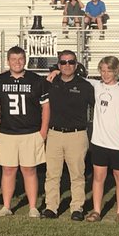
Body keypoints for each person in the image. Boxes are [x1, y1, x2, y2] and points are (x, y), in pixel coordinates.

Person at [0, 46, 50, 217]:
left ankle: (33, 207)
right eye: (14, 59)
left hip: (30, 132)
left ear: (25, 60)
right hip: (7, 132)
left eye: (20, 59)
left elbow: (46, 107)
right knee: (8, 170)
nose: (17, 62)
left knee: (29, 170)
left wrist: (43, 131)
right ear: (8, 61)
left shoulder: (36, 80)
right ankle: (6, 206)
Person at [83, 56, 119, 222]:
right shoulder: (96, 86)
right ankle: (96, 211)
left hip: (118, 143)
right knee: (98, 177)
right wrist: (56, 71)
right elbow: (76, 78)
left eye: (109, 71)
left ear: (116, 71)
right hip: (99, 142)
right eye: (103, 70)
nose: (105, 74)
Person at [43, 50, 94, 221]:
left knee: (77, 174)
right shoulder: (51, 83)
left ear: (76, 64)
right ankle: (51, 207)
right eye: (63, 62)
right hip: (54, 134)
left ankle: (77, 208)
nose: (67, 65)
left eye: (71, 62)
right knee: (52, 174)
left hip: (76, 135)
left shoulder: (85, 86)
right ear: (58, 65)